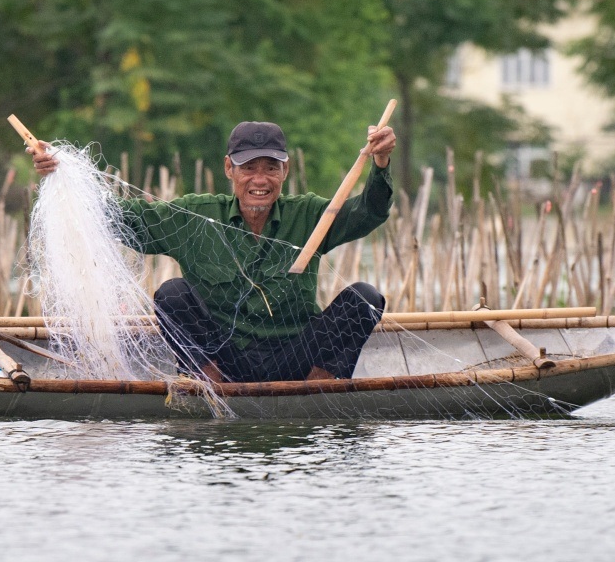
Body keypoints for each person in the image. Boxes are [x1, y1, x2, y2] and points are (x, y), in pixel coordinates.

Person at [32, 119, 396, 383]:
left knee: (364, 297)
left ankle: (315, 391)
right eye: (248, 168)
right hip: (225, 360)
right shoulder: (196, 215)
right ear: (229, 169)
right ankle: (213, 390)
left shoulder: (312, 213)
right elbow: (128, 219)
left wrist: (380, 164)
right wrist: (64, 175)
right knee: (172, 294)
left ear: (285, 171)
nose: (259, 180)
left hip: (296, 357)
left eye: (271, 168)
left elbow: (368, 212)